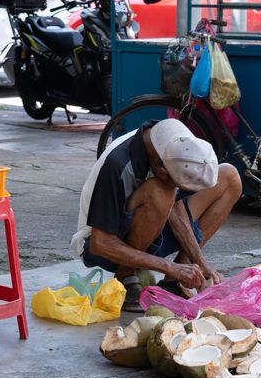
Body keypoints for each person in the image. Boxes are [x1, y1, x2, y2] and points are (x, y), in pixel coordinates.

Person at [71, 118, 243, 311]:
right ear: (161, 170)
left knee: (229, 176)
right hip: (102, 246)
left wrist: (200, 263)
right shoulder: (117, 163)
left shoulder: (173, 142)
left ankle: (174, 283)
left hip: (151, 233)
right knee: (160, 193)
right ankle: (126, 278)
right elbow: (100, 243)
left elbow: (175, 209)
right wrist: (169, 267)